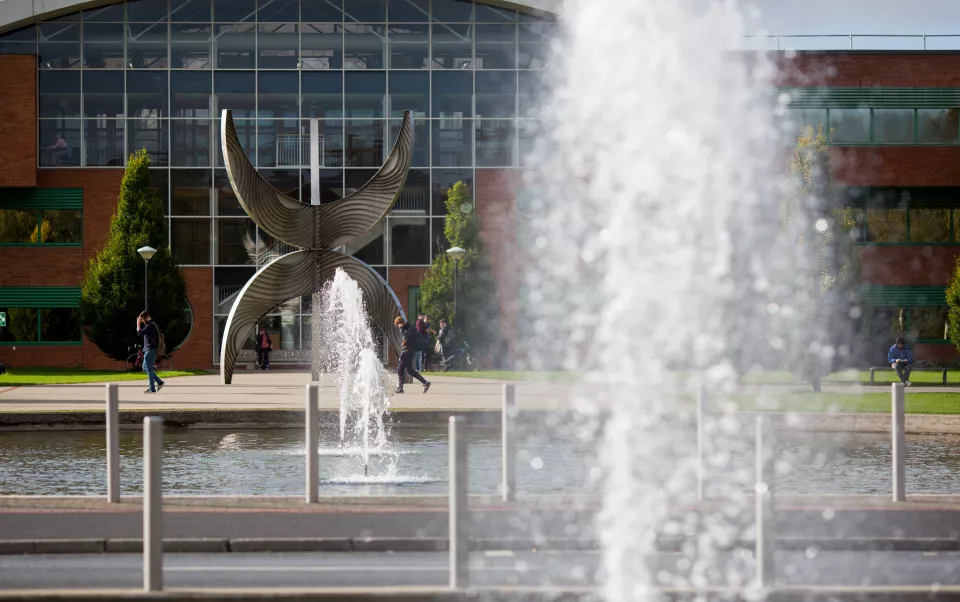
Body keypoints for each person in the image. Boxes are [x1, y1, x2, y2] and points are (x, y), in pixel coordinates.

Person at [394, 316, 430, 394]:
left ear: (401, 323)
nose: (398, 327)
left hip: (408, 351)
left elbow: (409, 337)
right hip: (408, 351)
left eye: (398, 325)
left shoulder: (409, 329)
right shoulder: (405, 328)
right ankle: (425, 383)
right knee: (410, 371)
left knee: (400, 368)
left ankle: (400, 388)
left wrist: (405, 340)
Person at [136, 311, 165, 394]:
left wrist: (138, 324)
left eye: (142, 319)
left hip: (150, 350)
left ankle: (152, 389)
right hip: (149, 350)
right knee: (145, 368)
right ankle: (159, 382)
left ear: (145, 317)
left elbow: (140, 333)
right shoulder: (151, 324)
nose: (142, 321)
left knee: (148, 369)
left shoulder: (150, 325)